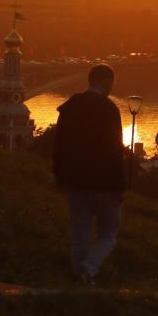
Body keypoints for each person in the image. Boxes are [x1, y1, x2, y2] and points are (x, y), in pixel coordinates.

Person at [52, 63, 127, 284]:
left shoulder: (70, 107)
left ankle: (78, 276)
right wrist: (121, 185)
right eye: (111, 83)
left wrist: (59, 176)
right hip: (104, 183)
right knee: (109, 232)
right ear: (106, 82)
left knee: (80, 232)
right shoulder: (109, 110)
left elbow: (60, 146)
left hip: (75, 180)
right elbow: (116, 150)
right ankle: (89, 267)